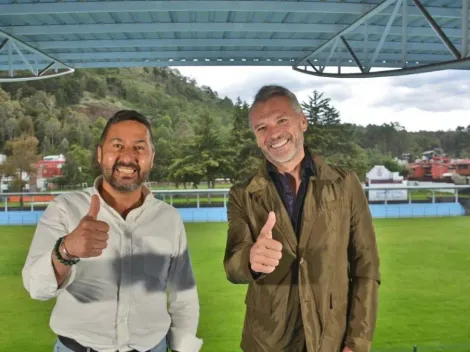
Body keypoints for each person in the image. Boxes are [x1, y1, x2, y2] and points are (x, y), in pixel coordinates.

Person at [22, 110, 202, 352]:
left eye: (139, 148)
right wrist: (66, 250)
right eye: (117, 145)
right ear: (100, 153)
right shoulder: (65, 209)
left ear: (152, 157)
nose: (127, 157)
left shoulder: (169, 219)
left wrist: (184, 348)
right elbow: (36, 288)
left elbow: (184, 296)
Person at [223, 85, 380, 352]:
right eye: (261, 128)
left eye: (281, 120)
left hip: (332, 338)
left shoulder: (345, 184)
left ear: (303, 121)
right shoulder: (242, 194)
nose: (273, 134)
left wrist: (358, 341)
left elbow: (366, 267)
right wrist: (251, 260)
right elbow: (233, 266)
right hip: (266, 341)